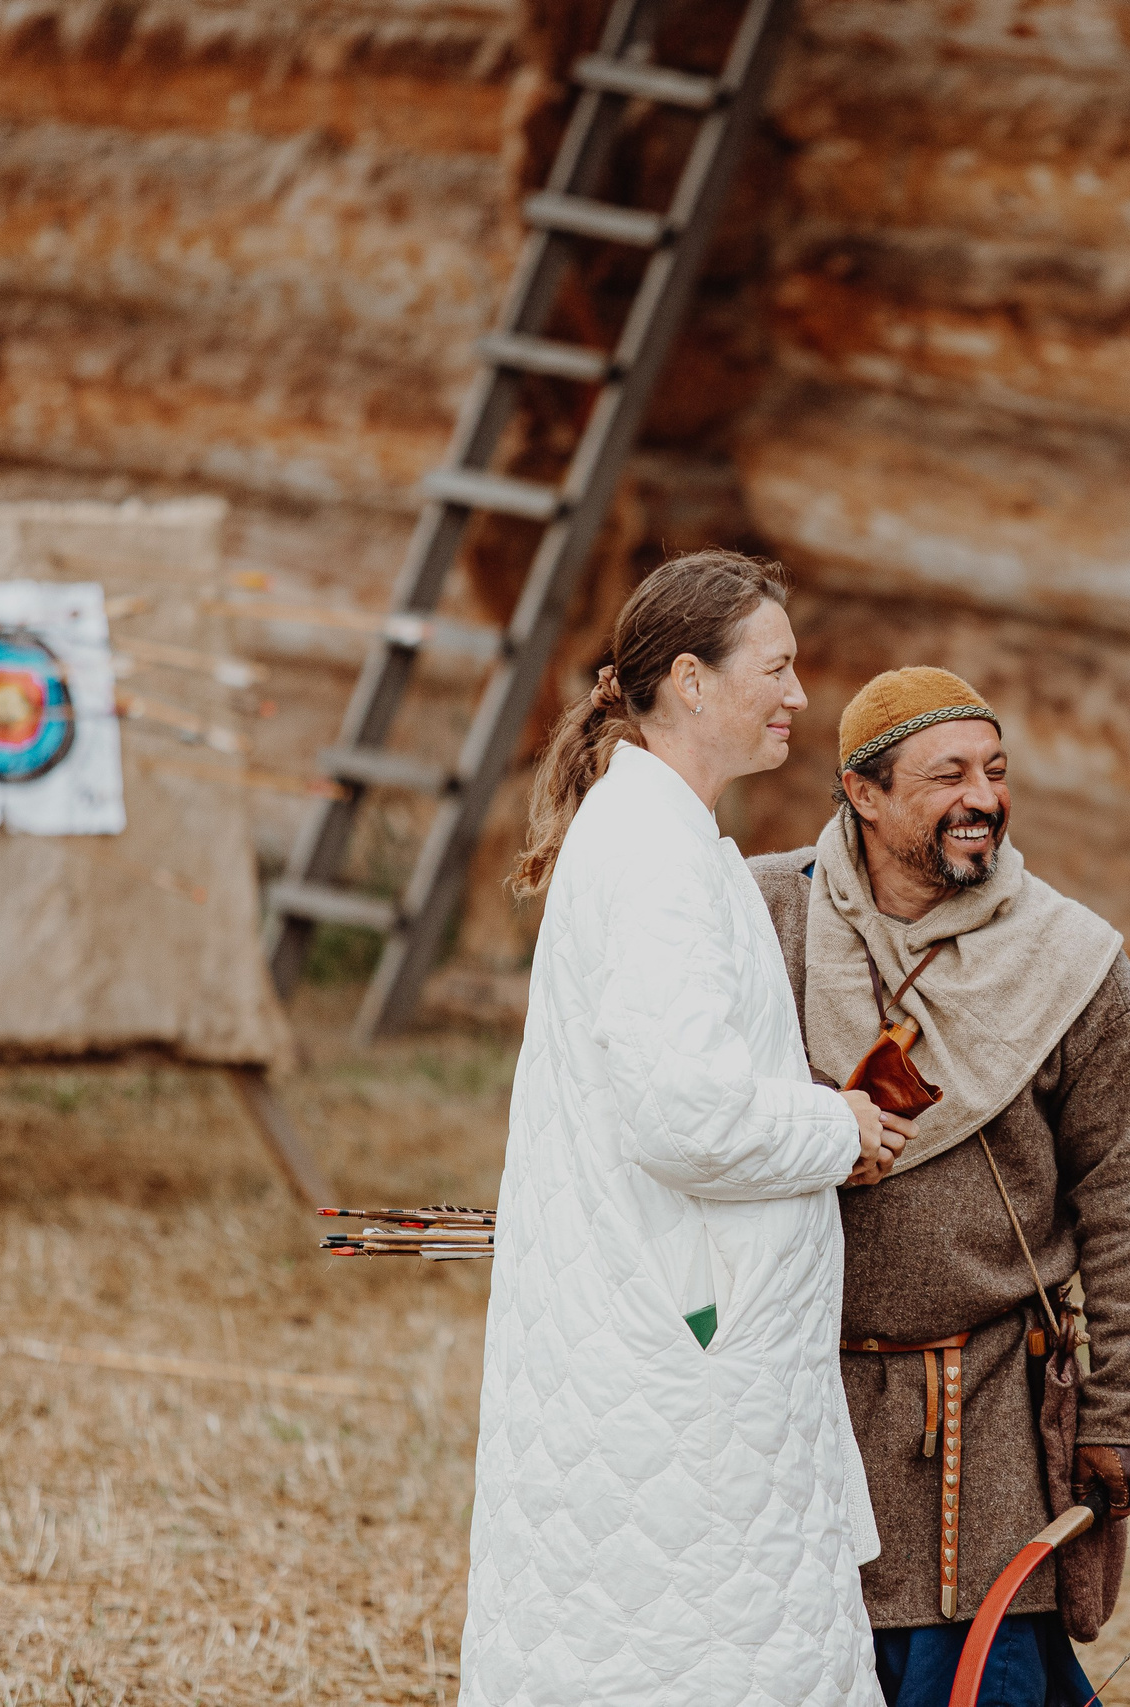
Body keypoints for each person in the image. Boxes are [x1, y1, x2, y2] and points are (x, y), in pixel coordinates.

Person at [458, 551, 907, 1707]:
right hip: (682, 1339)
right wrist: (838, 1126)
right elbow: (684, 1113)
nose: (797, 694)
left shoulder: (662, 834)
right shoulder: (652, 854)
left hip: (677, 1320)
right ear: (693, 681)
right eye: (776, 667)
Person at [745, 667, 1130, 1707]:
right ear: (863, 792)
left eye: (995, 770)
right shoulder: (763, 917)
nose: (982, 797)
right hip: (790, 1395)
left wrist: (1122, 1409)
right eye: (947, 776)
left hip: (985, 1413)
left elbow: (1125, 1200)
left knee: (982, 1677)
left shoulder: (1072, 960)